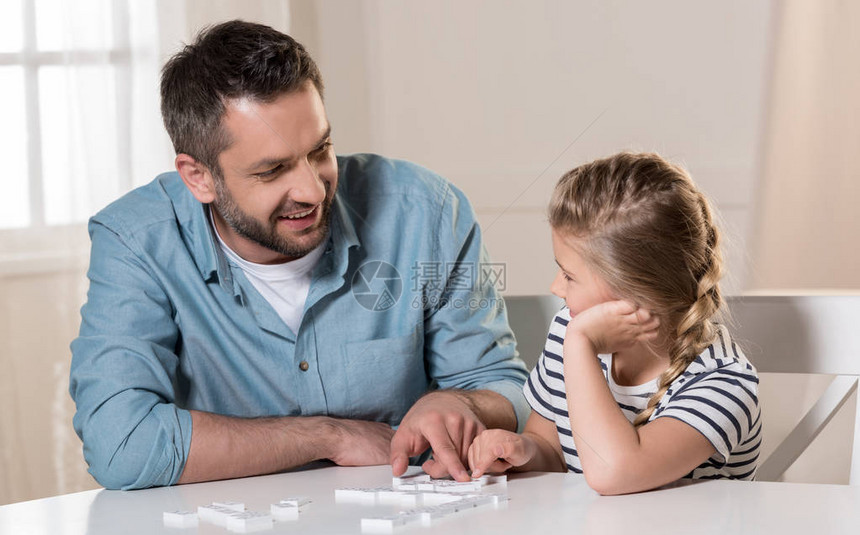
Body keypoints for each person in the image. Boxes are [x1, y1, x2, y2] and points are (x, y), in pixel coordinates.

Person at [69, 20, 529, 490]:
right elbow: (120, 444)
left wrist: (464, 404)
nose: (311, 190)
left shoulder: (426, 211)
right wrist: (328, 437)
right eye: (273, 171)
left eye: (320, 149)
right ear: (198, 177)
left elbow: (502, 385)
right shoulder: (135, 241)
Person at [467, 152, 761, 494]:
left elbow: (614, 473)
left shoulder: (723, 381)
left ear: (635, 293)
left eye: (569, 276)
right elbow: (552, 450)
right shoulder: (571, 329)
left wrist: (580, 348)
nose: (555, 287)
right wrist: (523, 451)